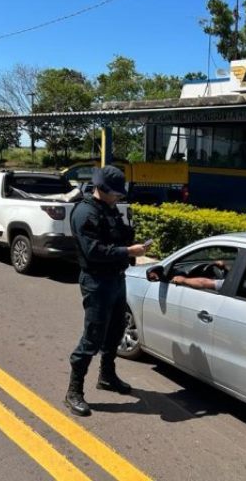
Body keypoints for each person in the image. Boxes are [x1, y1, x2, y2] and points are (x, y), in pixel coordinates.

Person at [65, 165, 149, 417]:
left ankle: (107, 376)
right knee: (93, 337)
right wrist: (127, 251)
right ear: (101, 189)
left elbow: (117, 237)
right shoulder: (85, 212)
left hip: (116, 278)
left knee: (115, 331)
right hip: (96, 281)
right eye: (115, 193)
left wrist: (130, 240)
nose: (119, 197)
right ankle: (73, 391)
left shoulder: (109, 209)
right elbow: (94, 251)